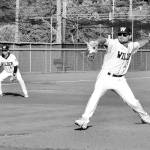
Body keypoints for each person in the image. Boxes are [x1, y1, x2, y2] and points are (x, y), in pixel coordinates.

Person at [75, 26, 150, 129]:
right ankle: (84, 120)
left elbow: (141, 43)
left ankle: (145, 117)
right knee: (95, 96)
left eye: (124, 34)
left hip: (120, 80)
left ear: (129, 36)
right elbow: (103, 40)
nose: (121, 36)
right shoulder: (113, 43)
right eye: (120, 34)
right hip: (105, 77)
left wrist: (148, 39)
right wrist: (96, 42)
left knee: (133, 102)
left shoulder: (131, 46)